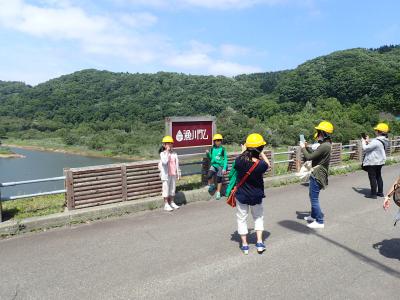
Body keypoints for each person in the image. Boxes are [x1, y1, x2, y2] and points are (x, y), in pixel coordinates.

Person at [234, 133, 270, 254]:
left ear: (247, 147)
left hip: (242, 195)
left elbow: (239, 160)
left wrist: (244, 150)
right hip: (256, 195)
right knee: (258, 217)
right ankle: (259, 243)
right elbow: (268, 164)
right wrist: (261, 153)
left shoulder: (239, 161)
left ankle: (245, 245)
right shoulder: (261, 165)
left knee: (241, 218)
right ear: (260, 148)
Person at [300, 121, 333, 229]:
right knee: (312, 196)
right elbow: (314, 154)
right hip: (318, 172)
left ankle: (319, 221)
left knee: (314, 198)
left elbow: (309, 157)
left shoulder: (324, 146)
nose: (317, 134)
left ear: (323, 133)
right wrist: (307, 147)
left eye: (318, 132)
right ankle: (313, 216)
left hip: (317, 173)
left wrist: (302, 148)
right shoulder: (326, 145)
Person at [362, 123, 390, 199]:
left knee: (372, 177)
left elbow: (365, 148)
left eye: (376, 130)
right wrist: (368, 141)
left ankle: (373, 194)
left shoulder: (376, 141)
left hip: (373, 162)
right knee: (378, 176)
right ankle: (380, 192)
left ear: (379, 131)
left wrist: (363, 141)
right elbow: (375, 147)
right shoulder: (385, 140)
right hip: (380, 161)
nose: (375, 131)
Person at [159, 136, 181, 212]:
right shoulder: (162, 154)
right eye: (167, 143)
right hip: (166, 175)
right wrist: (167, 152)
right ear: (164, 145)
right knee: (166, 189)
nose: (169, 145)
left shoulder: (175, 153)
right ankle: (166, 204)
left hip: (173, 174)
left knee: (172, 189)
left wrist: (178, 173)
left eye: (171, 143)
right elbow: (164, 162)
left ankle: (172, 202)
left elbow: (177, 164)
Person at [206, 134, 228, 200]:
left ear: (221, 141)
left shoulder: (223, 149)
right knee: (209, 175)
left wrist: (224, 168)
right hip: (213, 165)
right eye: (216, 140)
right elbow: (210, 157)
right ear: (214, 141)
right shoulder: (212, 149)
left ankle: (218, 192)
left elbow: (225, 159)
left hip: (220, 166)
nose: (218, 142)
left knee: (219, 179)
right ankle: (212, 185)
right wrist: (207, 153)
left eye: (219, 140)